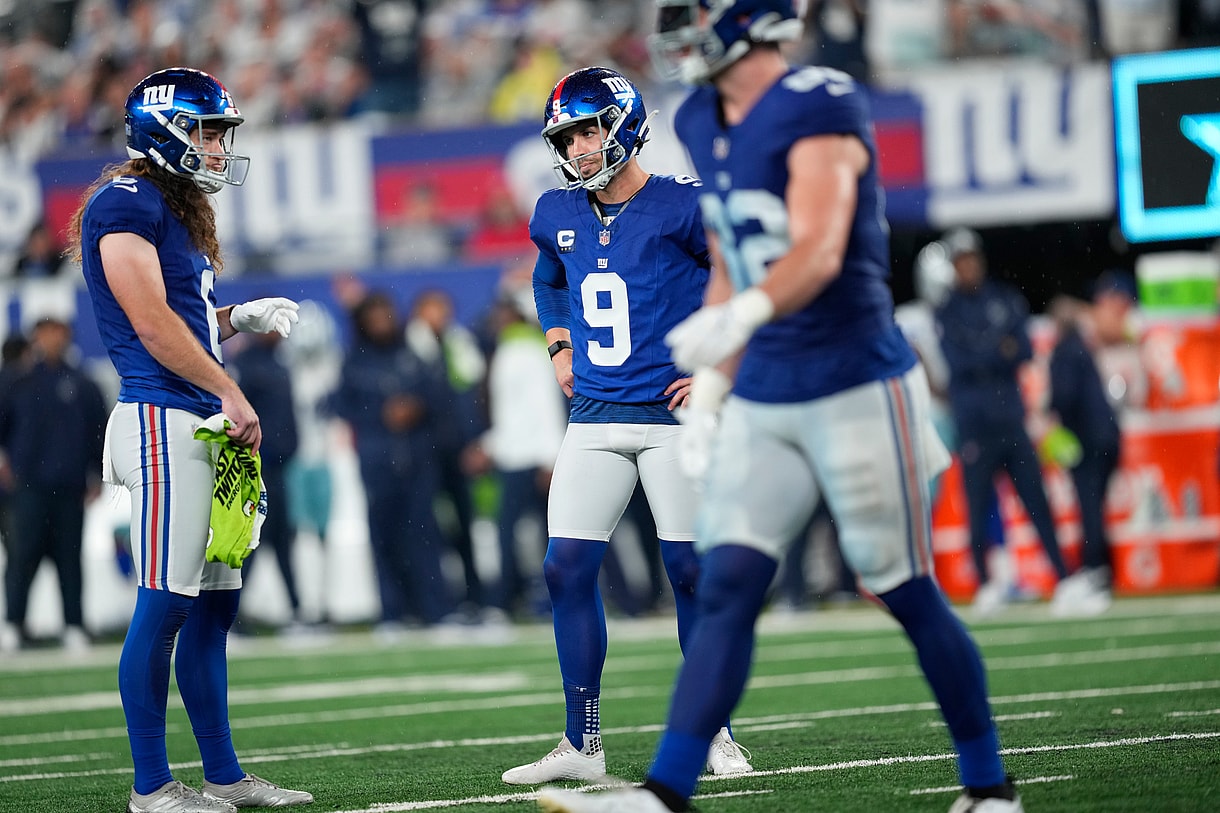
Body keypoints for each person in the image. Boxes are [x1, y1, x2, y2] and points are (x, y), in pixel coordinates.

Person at [539, 3, 1022, 811]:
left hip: (853, 374)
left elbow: (821, 245)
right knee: (722, 583)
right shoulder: (698, 114)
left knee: (899, 585)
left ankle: (988, 783)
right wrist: (726, 360)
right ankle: (666, 790)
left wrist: (743, 318)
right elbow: (728, 251)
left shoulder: (818, 99)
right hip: (767, 382)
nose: (680, 39)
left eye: (698, 20)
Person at [66, 67, 312, 813]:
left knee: (212, 606)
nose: (215, 146)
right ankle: (150, 785)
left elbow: (188, 319)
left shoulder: (174, 207)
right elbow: (151, 324)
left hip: (197, 420)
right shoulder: (125, 202)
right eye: (206, 130)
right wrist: (231, 387)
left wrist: (239, 316)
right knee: (166, 601)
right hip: (163, 418)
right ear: (166, 131)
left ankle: (225, 773)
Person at [501, 65, 751, 786]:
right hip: (595, 416)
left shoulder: (683, 206)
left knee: (690, 573)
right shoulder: (555, 212)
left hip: (672, 418)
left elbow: (744, 278)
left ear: (625, 125)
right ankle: (582, 741)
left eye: (588, 130)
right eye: (567, 136)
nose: (579, 148)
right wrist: (557, 343)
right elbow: (549, 278)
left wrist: (717, 366)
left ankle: (714, 730)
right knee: (563, 566)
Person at [936, 226, 1088, 615]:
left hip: (1010, 418)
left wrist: (985, 353)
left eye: (972, 258)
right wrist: (994, 351)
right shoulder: (947, 310)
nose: (968, 266)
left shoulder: (1003, 299)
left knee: (1037, 502)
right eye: (961, 260)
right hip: (973, 424)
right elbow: (959, 364)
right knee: (978, 506)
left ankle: (1064, 578)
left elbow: (1020, 351)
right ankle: (986, 585)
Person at [332, 291, 456, 632]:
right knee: (383, 537)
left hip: (417, 458)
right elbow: (341, 405)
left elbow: (439, 395)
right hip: (376, 459)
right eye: (373, 317)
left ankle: (436, 610)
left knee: (425, 534)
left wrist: (416, 406)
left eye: (385, 314)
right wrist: (379, 414)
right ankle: (392, 613)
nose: (381, 323)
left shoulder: (412, 352)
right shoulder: (354, 360)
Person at [0, 316, 107, 653]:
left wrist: (97, 474)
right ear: (35, 338)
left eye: (58, 333)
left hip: (70, 486)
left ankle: (73, 625)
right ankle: (14, 623)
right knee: (21, 556)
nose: (52, 340)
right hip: (28, 485)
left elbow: (98, 433)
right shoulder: (17, 381)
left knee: (69, 559)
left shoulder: (83, 383)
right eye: (45, 333)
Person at [1044, 271, 1137, 615]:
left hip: (1090, 440)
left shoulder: (1065, 352)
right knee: (1095, 509)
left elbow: (1064, 397)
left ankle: (1095, 573)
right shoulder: (1081, 348)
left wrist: (1049, 411)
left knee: (1089, 508)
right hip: (1106, 436)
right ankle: (1102, 572)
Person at [228, 329, 305, 631]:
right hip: (257, 468)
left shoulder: (278, 363)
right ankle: (230, 616)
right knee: (251, 542)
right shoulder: (246, 365)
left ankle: (297, 610)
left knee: (284, 540)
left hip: (280, 468)